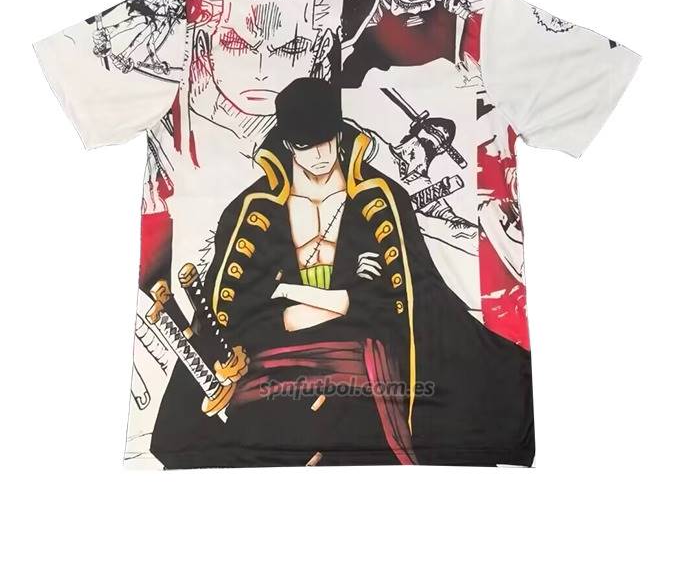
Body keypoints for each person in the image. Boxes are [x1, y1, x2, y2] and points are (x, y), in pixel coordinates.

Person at [151, 77, 534, 468]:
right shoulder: (249, 211)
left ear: (338, 133)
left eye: (326, 141)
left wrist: (291, 297)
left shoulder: (383, 199)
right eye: (306, 145)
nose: (319, 155)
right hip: (270, 376)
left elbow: (407, 299)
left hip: (363, 370)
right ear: (288, 145)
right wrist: (341, 301)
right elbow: (233, 310)